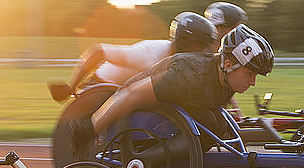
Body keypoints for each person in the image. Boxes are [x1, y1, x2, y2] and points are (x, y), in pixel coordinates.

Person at [70, 24, 274, 152]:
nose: (253, 82)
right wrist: (90, 128)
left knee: (216, 124)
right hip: (137, 107)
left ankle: (171, 164)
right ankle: (151, 160)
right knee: (210, 125)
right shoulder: (189, 75)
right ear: (228, 65)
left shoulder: (224, 80)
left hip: (175, 107)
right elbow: (132, 93)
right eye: (250, 74)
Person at [47, 12, 218, 102]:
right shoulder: (150, 52)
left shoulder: (182, 61)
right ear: (185, 42)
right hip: (100, 87)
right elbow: (97, 51)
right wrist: (72, 86)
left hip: (126, 92)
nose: (205, 52)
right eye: (201, 46)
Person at [204, 2, 249, 118]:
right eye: (235, 28)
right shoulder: (202, 53)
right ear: (219, 28)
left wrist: (238, 112)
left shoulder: (224, 49)